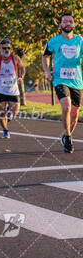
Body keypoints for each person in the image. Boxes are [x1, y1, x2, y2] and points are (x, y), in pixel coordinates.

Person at [42, 13, 83, 154]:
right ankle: (68, 138)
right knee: (66, 106)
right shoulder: (54, 41)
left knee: (75, 114)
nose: (67, 23)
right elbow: (45, 56)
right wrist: (47, 71)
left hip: (76, 81)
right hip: (60, 79)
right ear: (60, 25)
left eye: (70, 21)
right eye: (64, 21)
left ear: (74, 24)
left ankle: (66, 135)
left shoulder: (80, 40)